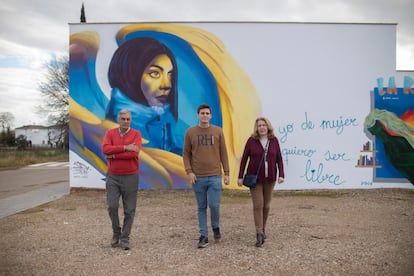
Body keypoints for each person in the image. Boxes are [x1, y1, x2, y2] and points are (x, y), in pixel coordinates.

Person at [106, 37, 182, 154]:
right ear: (131, 74)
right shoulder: (115, 126)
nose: (167, 85)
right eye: (155, 73)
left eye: (170, 75)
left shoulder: (165, 120)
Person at [182, 103, 230, 248]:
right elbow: (186, 154)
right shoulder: (190, 132)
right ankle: (203, 235)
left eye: (207, 113)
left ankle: (215, 227)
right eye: (202, 113)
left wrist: (226, 173)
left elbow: (224, 153)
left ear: (211, 115)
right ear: (198, 115)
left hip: (215, 175)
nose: (204, 115)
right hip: (198, 177)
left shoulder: (218, 131)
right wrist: (189, 171)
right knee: (201, 207)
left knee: (214, 205)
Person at [237, 117, 285, 247]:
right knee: (258, 204)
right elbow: (244, 159)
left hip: (270, 178)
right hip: (255, 179)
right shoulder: (252, 141)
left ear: (268, 127)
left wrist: (281, 174)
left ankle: (263, 228)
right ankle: (258, 233)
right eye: (259, 126)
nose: (262, 127)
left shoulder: (273, 140)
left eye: (264, 125)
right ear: (256, 128)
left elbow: (279, 158)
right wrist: (240, 176)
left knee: (266, 205)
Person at [102, 109, 142, 250]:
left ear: (130, 120)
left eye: (128, 119)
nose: (126, 121)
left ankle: (125, 238)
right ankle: (116, 232)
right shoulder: (110, 133)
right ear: (118, 120)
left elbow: (134, 153)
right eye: (123, 119)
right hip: (113, 176)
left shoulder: (136, 134)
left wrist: (114, 155)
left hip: (131, 176)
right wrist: (125, 147)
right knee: (112, 206)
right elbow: (105, 149)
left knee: (129, 210)